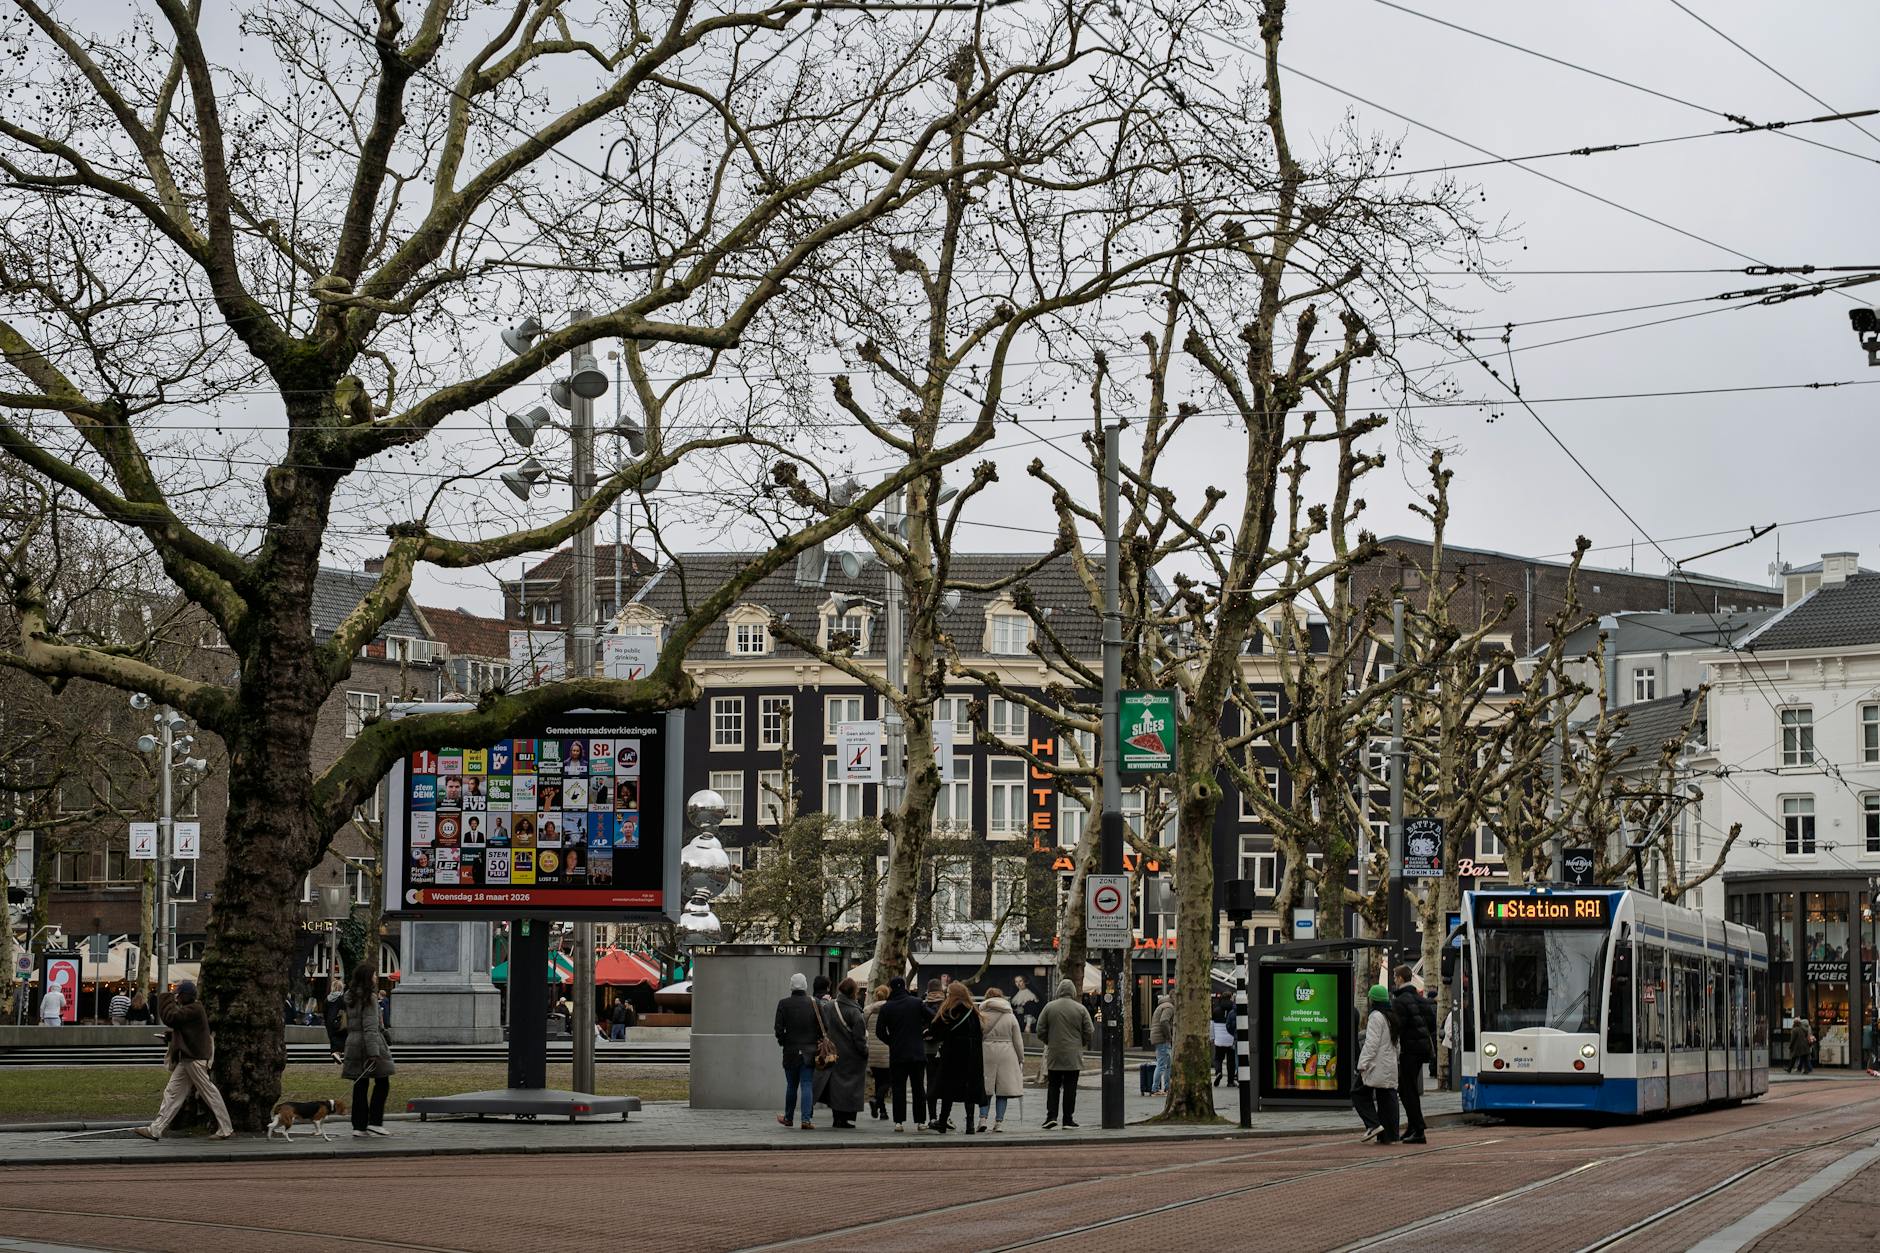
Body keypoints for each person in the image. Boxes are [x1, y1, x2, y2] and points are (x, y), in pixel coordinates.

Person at [134, 980, 234, 1141]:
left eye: (178, 995)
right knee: (173, 1092)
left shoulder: (193, 1009)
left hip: (193, 1058)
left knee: (208, 1092)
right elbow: (186, 1030)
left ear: (185, 996)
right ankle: (156, 1129)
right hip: (189, 1058)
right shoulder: (194, 1009)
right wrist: (170, 1036)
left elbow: (171, 1018)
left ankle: (226, 1128)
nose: (177, 998)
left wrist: (166, 997)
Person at [342, 962, 395, 1138]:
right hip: (368, 1044)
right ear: (367, 978)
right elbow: (370, 1027)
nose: (375, 977)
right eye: (373, 975)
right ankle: (375, 1122)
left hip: (353, 1043)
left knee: (360, 1084)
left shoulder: (350, 997)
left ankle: (359, 1125)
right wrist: (374, 1052)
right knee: (382, 1082)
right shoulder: (369, 998)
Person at [925, 982, 986, 1134]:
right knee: (969, 1089)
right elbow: (979, 1034)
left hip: (953, 1055)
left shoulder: (949, 1010)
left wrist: (928, 1033)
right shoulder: (973, 1011)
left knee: (948, 1089)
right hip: (972, 1056)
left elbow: (936, 1030)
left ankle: (943, 1121)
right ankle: (970, 1124)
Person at [874, 976, 933, 1132]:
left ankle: (898, 1121)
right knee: (918, 1088)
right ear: (905, 987)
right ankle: (920, 1121)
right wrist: (925, 1033)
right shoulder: (916, 1003)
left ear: (891, 989)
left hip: (898, 1053)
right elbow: (933, 1017)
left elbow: (879, 1031)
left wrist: (891, 1042)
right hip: (917, 1052)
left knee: (898, 1088)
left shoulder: (887, 1007)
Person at [1035, 978, 1093, 1130]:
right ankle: (1068, 1119)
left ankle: (1051, 1116)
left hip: (1054, 1052)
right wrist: (1081, 1043)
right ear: (1073, 992)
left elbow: (1040, 1029)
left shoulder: (1049, 1007)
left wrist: (1049, 1041)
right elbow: (1090, 1030)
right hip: (1073, 1054)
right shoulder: (1080, 1009)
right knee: (1070, 1087)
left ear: (1059, 991)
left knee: (1053, 1085)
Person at [815, 978, 869, 1129]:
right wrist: (865, 1052)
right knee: (850, 1089)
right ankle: (846, 1119)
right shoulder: (855, 1012)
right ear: (854, 992)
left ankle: (837, 1118)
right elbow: (859, 1038)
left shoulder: (829, 1006)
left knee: (836, 1087)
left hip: (833, 1054)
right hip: (852, 1057)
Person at [1392, 966, 1437, 1144]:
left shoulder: (1400, 1001)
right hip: (1422, 1049)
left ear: (1401, 978)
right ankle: (1413, 1126)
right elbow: (1432, 1025)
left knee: (1406, 1089)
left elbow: (1398, 1027)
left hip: (1408, 1050)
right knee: (1408, 1088)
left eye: (1395, 977)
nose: (1395, 980)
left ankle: (1418, 1128)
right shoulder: (1422, 1000)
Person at [1354, 985, 1402, 1145]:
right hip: (1389, 1065)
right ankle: (1390, 1135)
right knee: (1387, 1097)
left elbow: (1371, 1043)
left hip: (1376, 1065)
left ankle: (1373, 1125)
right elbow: (1397, 1044)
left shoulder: (1376, 1016)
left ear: (1373, 999)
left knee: (1358, 1093)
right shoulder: (1391, 1016)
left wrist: (1362, 1063)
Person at [773, 972, 821, 1129]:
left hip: (790, 1051)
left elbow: (778, 1029)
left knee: (791, 1085)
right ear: (806, 985)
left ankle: (788, 1117)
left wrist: (784, 1041)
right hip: (809, 1050)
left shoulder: (783, 1004)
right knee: (807, 1084)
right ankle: (806, 1120)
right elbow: (824, 1027)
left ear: (791, 986)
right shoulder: (814, 1003)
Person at [978, 986, 1026, 1132]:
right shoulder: (1010, 1016)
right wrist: (1021, 1057)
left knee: (986, 1089)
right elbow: (1017, 1040)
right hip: (1007, 1052)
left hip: (986, 1051)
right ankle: (999, 1122)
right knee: (1002, 1090)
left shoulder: (981, 1015)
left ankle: (982, 1119)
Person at [864, 984, 892, 1120]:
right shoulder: (891, 1009)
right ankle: (877, 1099)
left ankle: (883, 1111)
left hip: (872, 1052)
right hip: (887, 1050)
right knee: (888, 1081)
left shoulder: (868, 1011)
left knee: (879, 1081)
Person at [921, 977, 946, 1113]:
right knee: (943, 1082)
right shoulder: (946, 1004)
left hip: (926, 1048)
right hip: (942, 1048)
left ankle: (932, 1115)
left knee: (930, 1081)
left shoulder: (923, 1004)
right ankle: (943, 1115)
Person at [1149, 994, 1176, 1095]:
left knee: (1168, 1064)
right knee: (1162, 1065)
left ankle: (1167, 1087)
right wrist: (1169, 1036)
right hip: (1162, 1038)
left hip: (1158, 1036)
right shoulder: (1169, 1007)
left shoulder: (1162, 1005)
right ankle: (1155, 1089)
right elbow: (1164, 1021)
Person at [323, 975, 348, 1063]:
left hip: (330, 1022)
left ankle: (335, 1052)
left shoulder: (327, 999)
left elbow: (325, 1012)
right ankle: (339, 1053)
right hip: (340, 1021)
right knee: (342, 1037)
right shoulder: (342, 998)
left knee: (333, 1039)